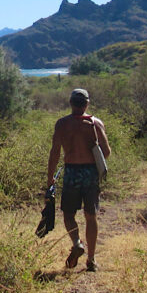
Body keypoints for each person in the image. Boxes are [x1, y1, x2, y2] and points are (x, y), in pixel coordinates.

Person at [46, 88, 111, 271]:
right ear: (87, 103)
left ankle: (77, 243)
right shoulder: (95, 123)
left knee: (68, 214)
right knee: (91, 215)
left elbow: (55, 153)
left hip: (71, 172)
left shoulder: (62, 124)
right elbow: (106, 152)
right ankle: (91, 259)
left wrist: (50, 178)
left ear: (71, 103)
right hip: (90, 173)